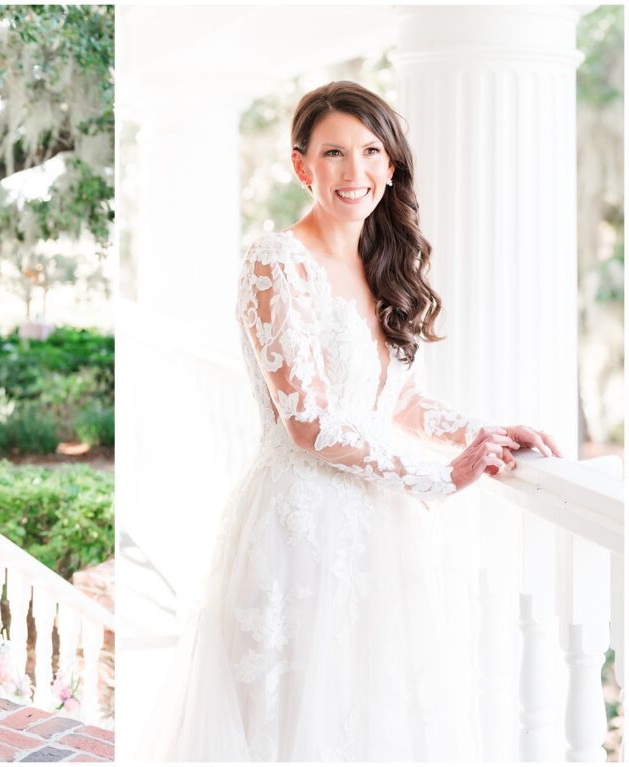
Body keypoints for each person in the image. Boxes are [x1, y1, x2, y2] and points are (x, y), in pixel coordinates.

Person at [142, 82, 562, 760]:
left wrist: (483, 431)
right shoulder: (276, 262)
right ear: (301, 166)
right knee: (299, 718)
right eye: (334, 153)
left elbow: (398, 400)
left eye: (371, 151)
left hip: (378, 528)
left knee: (374, 719)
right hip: (300, 525)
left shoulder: (379, 263)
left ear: (391, 165)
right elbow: (307, 419)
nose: (355, 171)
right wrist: (438, 474)